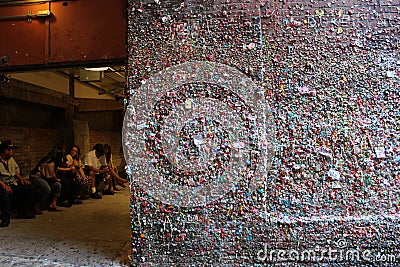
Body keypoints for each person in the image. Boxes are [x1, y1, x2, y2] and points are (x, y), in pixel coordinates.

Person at [0, 140, 36, 227]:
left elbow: (15, 171)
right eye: (11, 150)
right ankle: (5, 219)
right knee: (3, 195)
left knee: (29, 187)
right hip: (2, 184)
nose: (12, 152)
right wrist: (4, 186)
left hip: (12, 182)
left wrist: (21, 179)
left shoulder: (11, 160)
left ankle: (24, 212)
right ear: (6, 150)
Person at [30, 145, 63, 212]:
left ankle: (53, 204)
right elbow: (50, 175)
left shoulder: (53, 162)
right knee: (47, 188)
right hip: (36, 177)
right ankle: (37, 205)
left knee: (57, 185)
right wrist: (56, 179)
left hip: (44, 177)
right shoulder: (49, 162)